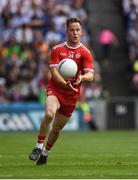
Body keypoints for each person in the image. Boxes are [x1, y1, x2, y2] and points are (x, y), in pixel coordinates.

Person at [29, 17, 95, 165]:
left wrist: (82, 77)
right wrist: (65, 84)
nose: (75, 33)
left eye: (78, 30)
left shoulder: (85, 53)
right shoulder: (57, 49)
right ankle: (39, 145)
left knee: (57, 129)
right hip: (56, 89)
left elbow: (91, 75)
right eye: (72, 30)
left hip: (71, 96)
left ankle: (45, 153)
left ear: (81, 31)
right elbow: (53, 72)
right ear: (67, 31)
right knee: (49, 113)